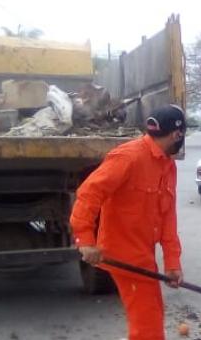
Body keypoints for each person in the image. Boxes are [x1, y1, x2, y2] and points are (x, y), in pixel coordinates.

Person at [70, 105, 187, 340]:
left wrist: (172, 263)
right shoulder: (128, 157)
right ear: (177, 135)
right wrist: (85, 239)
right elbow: (88, 194)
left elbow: (167, 218)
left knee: (151, 315)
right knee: (148, 326)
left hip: (143, 253)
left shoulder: (167, 166)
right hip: (122, 254)